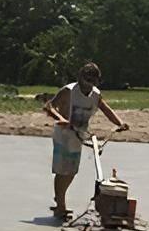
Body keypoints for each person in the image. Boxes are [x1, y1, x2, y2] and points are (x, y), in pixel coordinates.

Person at [43, 63, 129, 219]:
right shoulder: (69, 91)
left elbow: (105, 108)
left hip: (79, 136)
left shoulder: (96, 94)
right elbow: (49, 106)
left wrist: (119, 123)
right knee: (63, 170)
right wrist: (61, 119)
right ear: (80, 78)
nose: (89, 84)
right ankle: (60, 205)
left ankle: (59, 198)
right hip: (63, 135)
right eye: (87, 79)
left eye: (93, 81)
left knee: (72, 172)